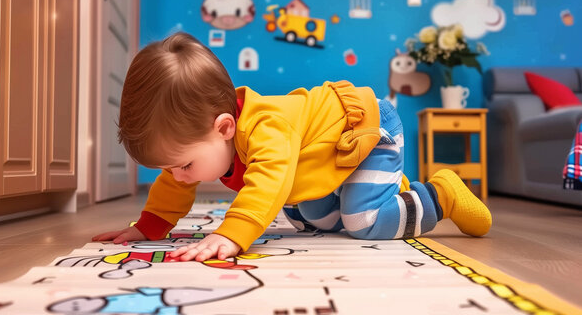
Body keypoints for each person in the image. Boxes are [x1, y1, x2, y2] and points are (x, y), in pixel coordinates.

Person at [92, 32, 492, 262]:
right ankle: (384, 190)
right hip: (322, 158)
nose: (178, 176)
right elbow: (175, 186)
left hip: (365, 131)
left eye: (183, 165)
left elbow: (270, 178)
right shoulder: (204, 138)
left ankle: (440, 195)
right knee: (307, 218)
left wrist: (234, 233)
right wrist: (150, 227)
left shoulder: (266, 128)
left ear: (225, 127)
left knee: (363, 224)